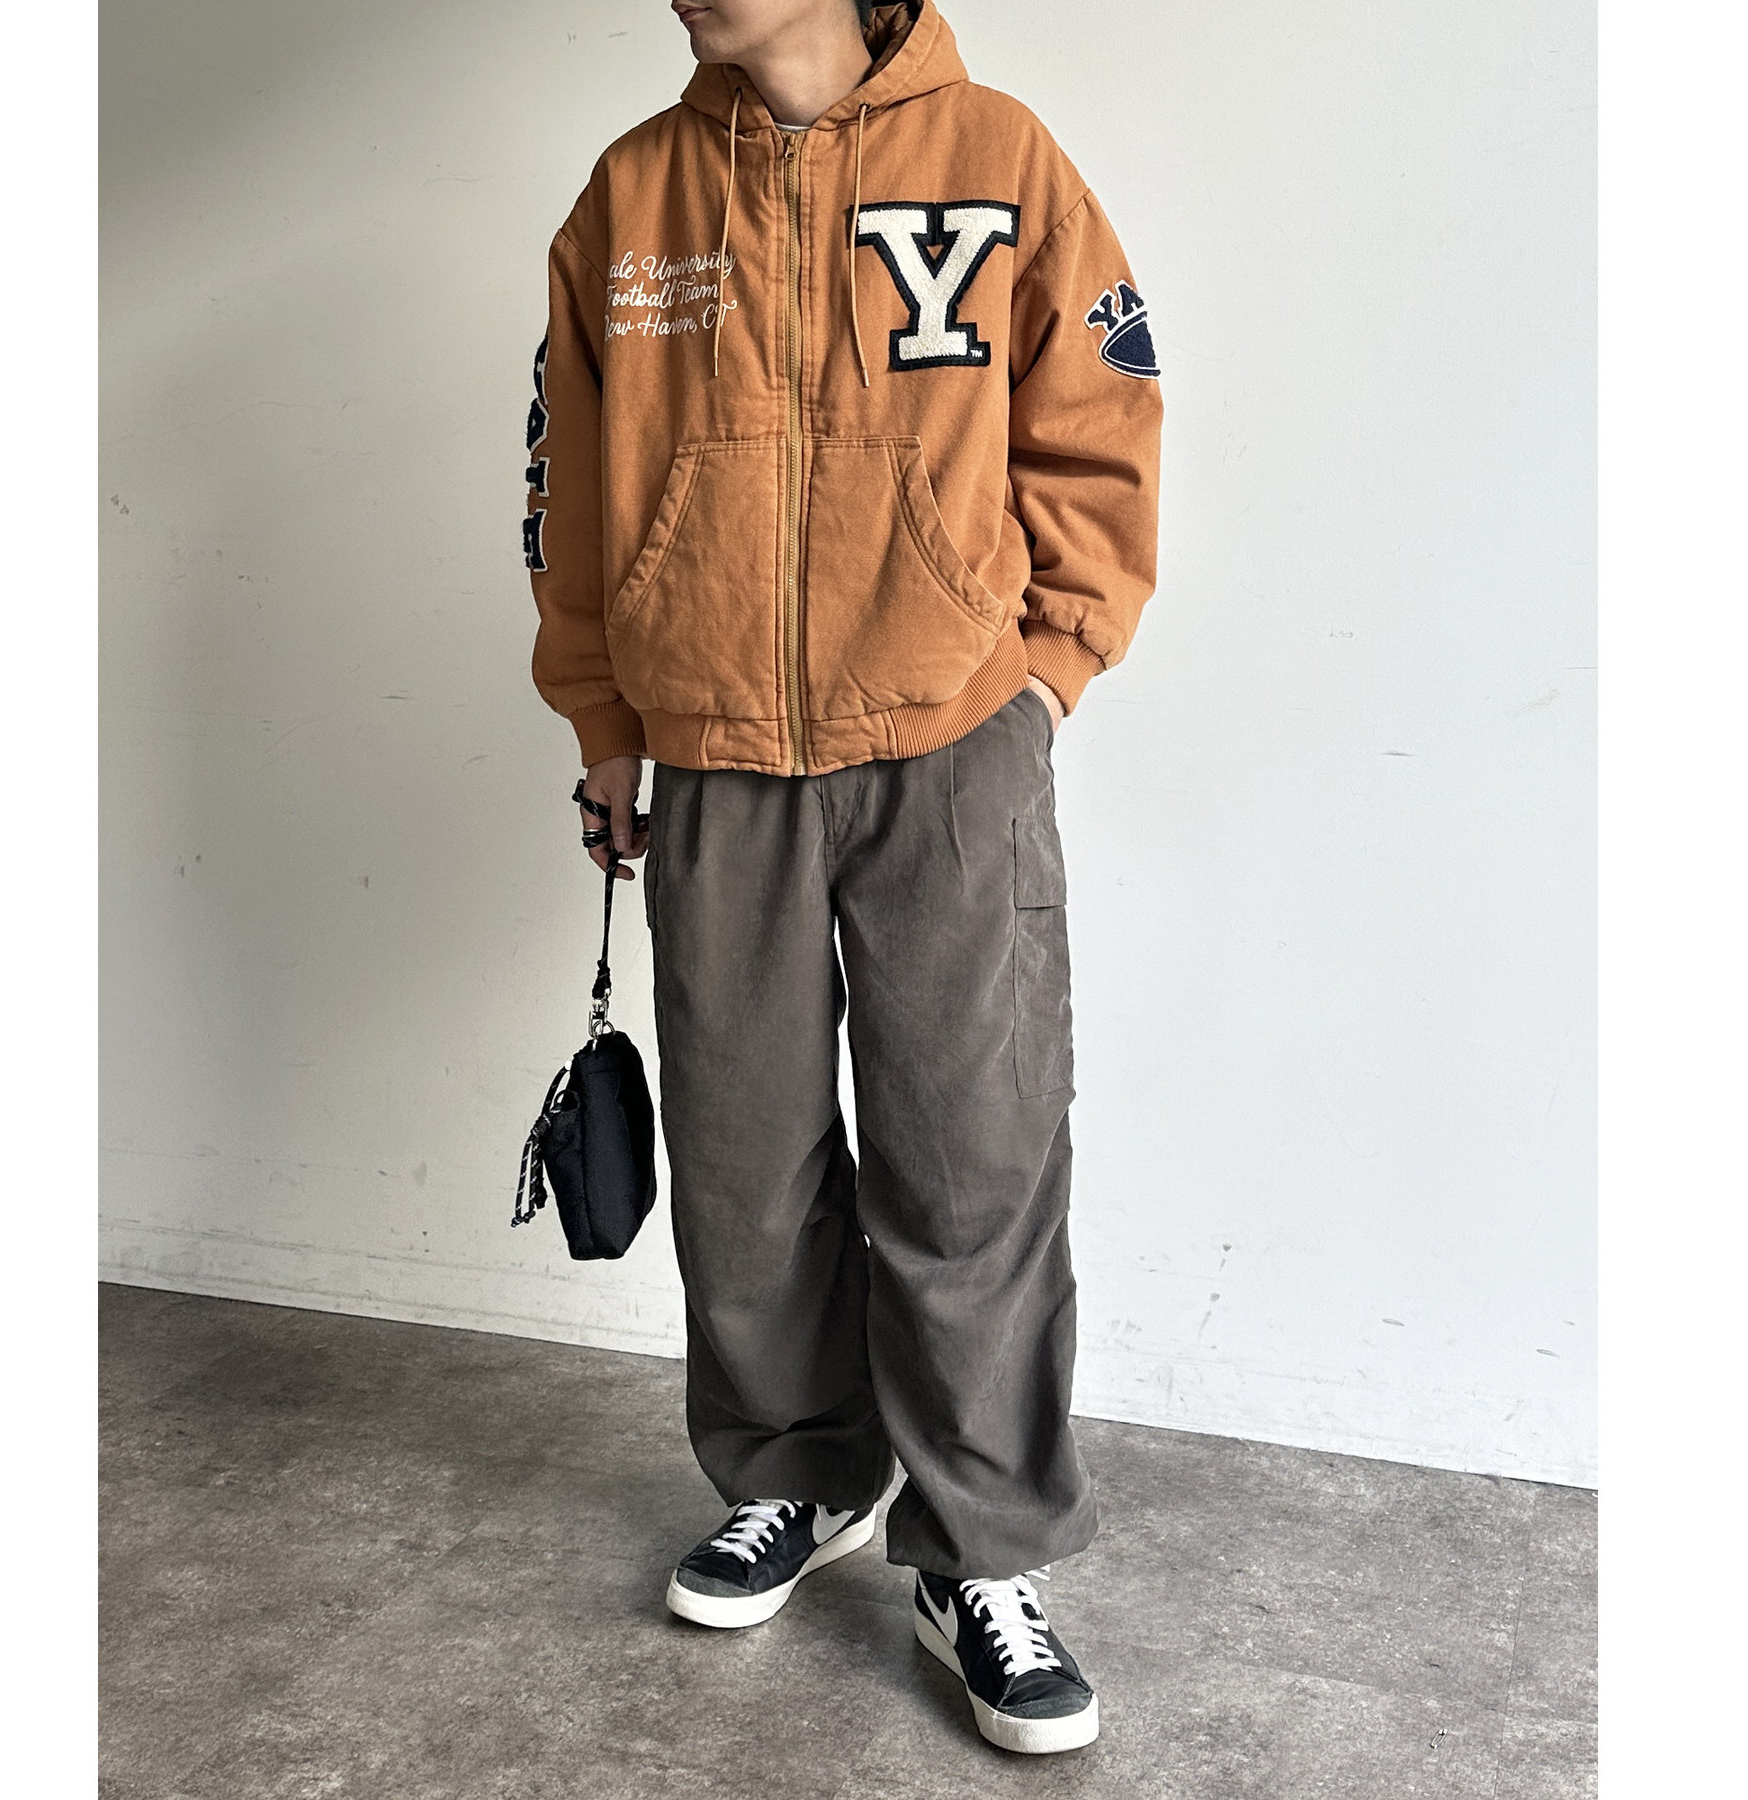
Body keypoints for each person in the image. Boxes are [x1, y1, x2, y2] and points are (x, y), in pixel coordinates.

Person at [525, 0, 1161, 1756]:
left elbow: (1103, 423)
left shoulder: (1001, 158)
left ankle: (979, 1554)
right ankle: (801, 1473)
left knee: (973, 1154)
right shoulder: (633, 198)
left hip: (950, 742)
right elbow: (572, 480)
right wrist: (604, 722)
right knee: (743, 1159)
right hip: (713, 746)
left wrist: (1046, 673)